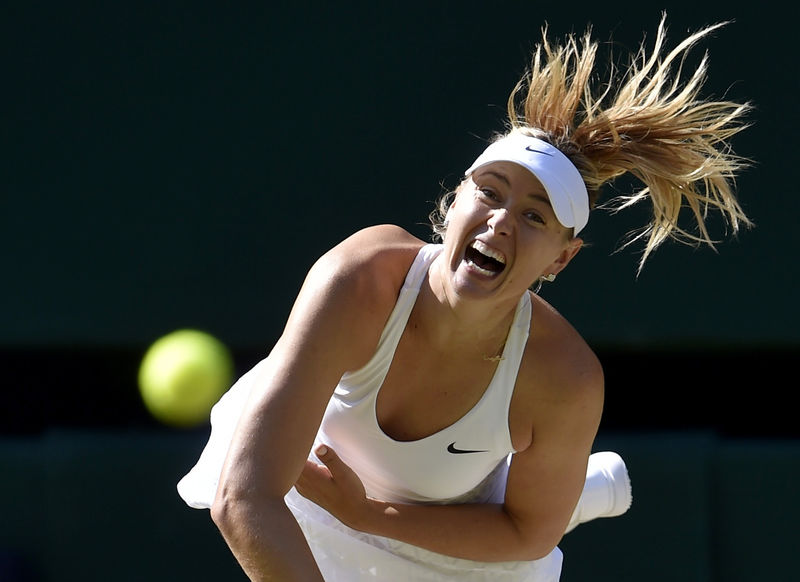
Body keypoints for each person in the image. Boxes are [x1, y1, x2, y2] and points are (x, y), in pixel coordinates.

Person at [177, 16, 750, 582]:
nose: (500, 222)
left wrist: (370, 514)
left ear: (560, 258)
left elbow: (525, 534)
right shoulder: (359, 281)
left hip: (448, 544)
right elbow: (246, 496)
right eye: (489, 193)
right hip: (307, 497)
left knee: (531, 512)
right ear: (452, 204)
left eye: (533, 216)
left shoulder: (564, 378)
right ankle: (573, 490)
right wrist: (348, 512)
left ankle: (562, 493)